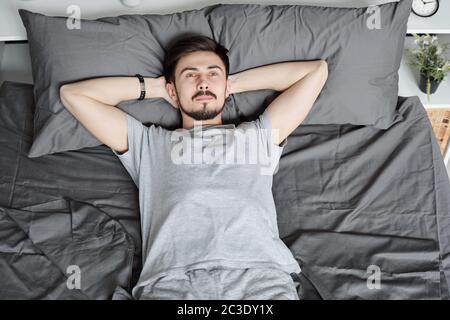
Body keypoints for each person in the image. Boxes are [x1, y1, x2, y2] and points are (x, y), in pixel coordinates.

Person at [59, 34, 328, 300]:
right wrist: (157, 89)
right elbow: (74, 95)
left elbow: (315, 72)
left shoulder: (258, 135)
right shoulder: (149, 143)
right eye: (190, 75)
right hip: (173, 283)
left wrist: (229, 84)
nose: (202, 82)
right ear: (173, 90)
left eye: (213, 74)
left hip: (260, 276)